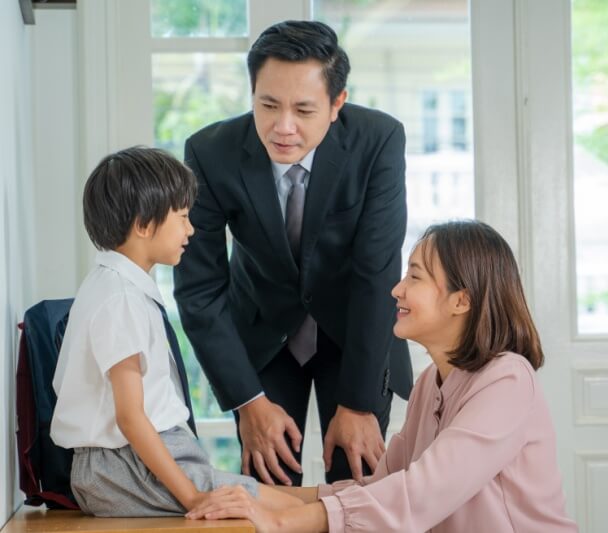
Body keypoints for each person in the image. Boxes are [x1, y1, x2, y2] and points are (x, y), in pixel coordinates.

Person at [186, 220, 579, 532]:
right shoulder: (431, 383)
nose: (396, 290)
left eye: (415, 277)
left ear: (462, 300)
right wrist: (253, 493)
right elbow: (377, 488)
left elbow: (422, 493)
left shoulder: (507, 380)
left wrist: (282, 522)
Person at [173, 20, 413, 488]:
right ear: (252, 94)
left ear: (337, 104)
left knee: (357, 490)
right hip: (265, 338)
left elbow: (376, 274)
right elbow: (199, 289)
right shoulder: (210, 152)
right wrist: (247, 402)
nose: (283, 127)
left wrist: (360, 402)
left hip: (355, 336)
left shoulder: (378, 140)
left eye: (304, 110)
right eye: (268, 105)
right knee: (268, 489)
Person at [50, 147, 302, 517]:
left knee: (303, 503)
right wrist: (194, 498)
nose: (191, 229)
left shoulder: (117, 287)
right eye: (183, 217)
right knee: (290, 509)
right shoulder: (119, 299)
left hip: (131, 462)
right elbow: (131, 417)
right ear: (143, 224)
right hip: (122, 467)